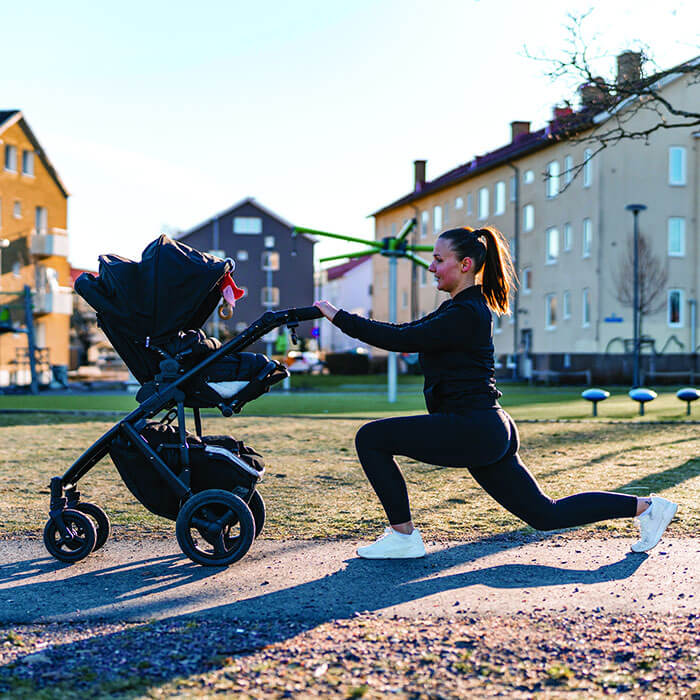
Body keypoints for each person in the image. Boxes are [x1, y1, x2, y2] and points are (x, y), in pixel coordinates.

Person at [314, 226, 678, 559]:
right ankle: (648, 508)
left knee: (372, 438)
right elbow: (404, 330)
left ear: (466, 264)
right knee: (544, 515)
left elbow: (399, 339)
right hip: (486, 427)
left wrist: (336, 315)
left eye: (439, 260)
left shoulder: (468, 313)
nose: (431, 267)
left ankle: (404, 537)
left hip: (472, 427)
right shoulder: (457, 309)